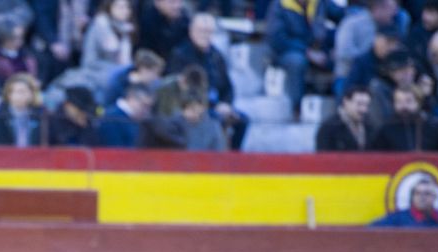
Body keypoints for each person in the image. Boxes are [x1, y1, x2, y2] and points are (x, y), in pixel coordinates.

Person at [169, 13, 248, 150]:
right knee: (214, 119)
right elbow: (179, 88)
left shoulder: (217, 56)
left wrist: (226, 104)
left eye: (208, 31)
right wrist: (208, 104)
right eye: (201, 31)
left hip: (218, 105)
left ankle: (235, 159)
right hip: (194, 106)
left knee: (242, 121)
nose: (205, 35)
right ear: (191, 31)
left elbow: (227, 87)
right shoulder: (180, 54)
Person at [266, 0, 341, 115]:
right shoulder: (280, 5)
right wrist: (307, 52)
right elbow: (277, 39)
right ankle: (296, 108)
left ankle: (340, 106)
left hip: (318, 48)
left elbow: (341, 14)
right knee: (297, 62)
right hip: (288, 51)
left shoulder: (319, 2)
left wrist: (341, 42)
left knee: (342, 59)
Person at [333, 0, 401, 89]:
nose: (394, 13)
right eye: (391, 9)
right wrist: (367, 58)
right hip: (347, 75)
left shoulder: (390, 26)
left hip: (377, 76)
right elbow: (344, 53)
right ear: (378, 9)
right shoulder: (352, 23)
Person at [371, 84, 438, 151]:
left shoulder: (435, 126)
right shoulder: (386, 129)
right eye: (399, 102)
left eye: (408, 101)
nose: (403, 106)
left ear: (418, 103)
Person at [79, 0, 135, 103]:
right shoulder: (99, 26)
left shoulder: (125, 30)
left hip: (118, 74)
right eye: (120, 7)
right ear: (109, 7)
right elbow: (89, 61)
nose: (125, 11)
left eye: (127, 7)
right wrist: (117, 70)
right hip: (95, 74)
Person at [0, 72, 44, 147]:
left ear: (32, 94)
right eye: (16, 92)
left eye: (22, 91)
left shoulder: (41, 116)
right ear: (8, 94)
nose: (19, 96)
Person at [370, 177, 438, 227]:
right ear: (412, 197)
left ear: (434, 197)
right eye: (417, 193)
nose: (422, 197)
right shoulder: (397, 218)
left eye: (427, 194)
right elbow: (371, 229)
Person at [0, 17, 39, 87]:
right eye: (16, 37)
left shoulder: (27, 53)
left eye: (22, 36)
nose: (21, 41)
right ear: (5, 38)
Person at [315, 85, 372, 151]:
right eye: (359, 104)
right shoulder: (328, 128)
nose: (363, 109)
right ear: (346, 101)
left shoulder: (369, 127)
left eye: (366, 105)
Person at [96, 81, 152, 147]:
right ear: (131, 98)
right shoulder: (111, 118)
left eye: (149, 107)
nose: (147, 111)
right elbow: (114, 150)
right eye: (143, 105)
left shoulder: (138, 119)